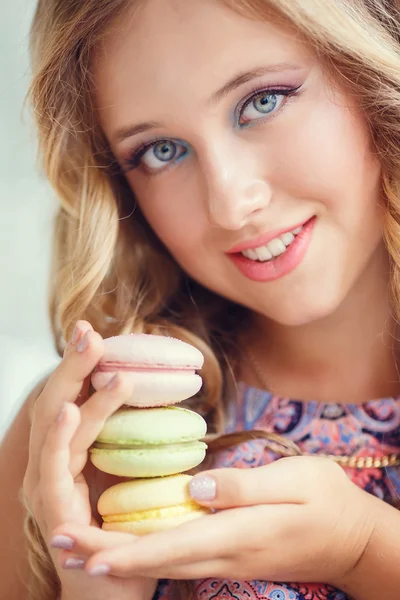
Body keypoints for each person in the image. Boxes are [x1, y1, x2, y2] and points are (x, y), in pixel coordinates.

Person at [1, 0, 400, 598]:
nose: (230, 204)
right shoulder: (74, 443)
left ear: (373, 71)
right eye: (161, 151)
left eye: (261, 102)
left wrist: (366, 549)